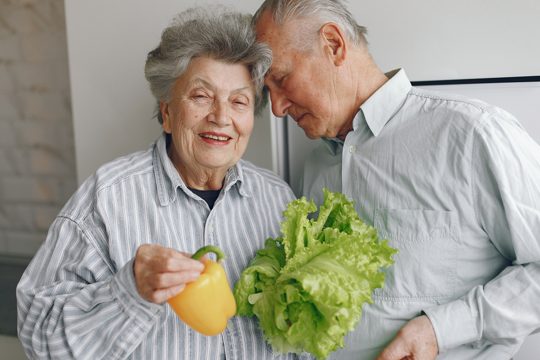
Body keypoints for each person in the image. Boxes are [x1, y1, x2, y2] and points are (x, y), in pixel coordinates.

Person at [16, 7, 308, 360]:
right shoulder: (107, 198)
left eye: (239, 101)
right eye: (201, 96)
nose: (221, 117)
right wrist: (129, 292)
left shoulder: (279, 200)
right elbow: (38, 334)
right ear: (167, 112)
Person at [253, 1, 540, 359]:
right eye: (268, 91)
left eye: (280, 80)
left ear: (333, 45)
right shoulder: (313, 168)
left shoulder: (471, 134)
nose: (277, 108)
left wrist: (440, 330)